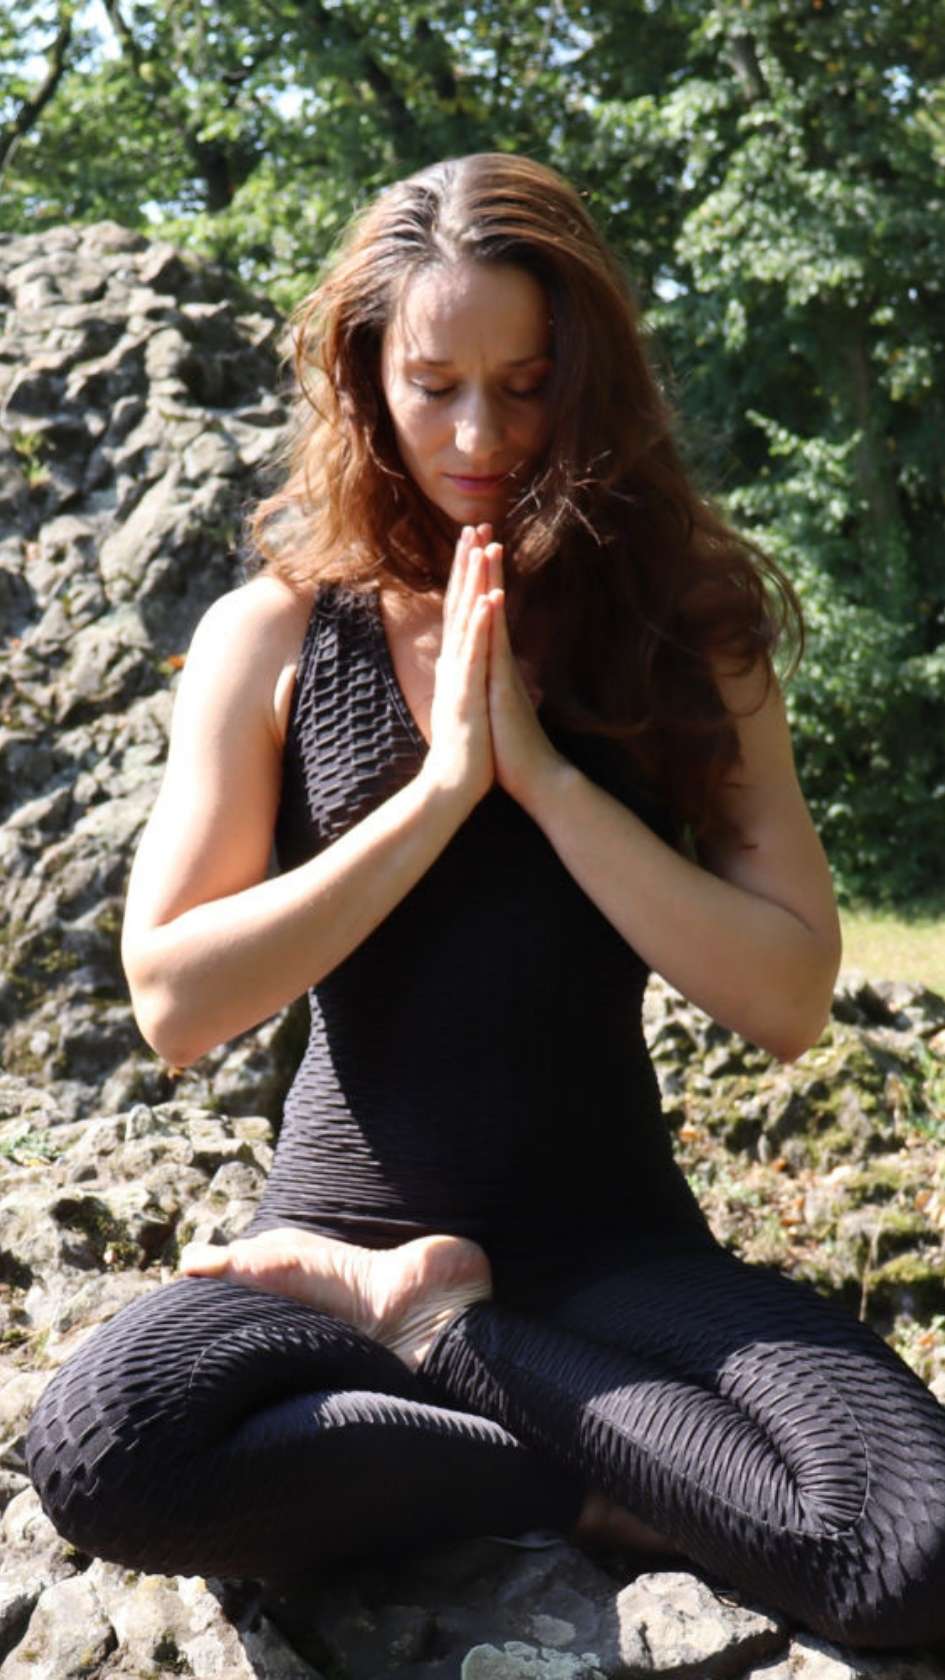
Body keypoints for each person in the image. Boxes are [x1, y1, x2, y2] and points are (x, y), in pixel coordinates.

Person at [25, 152, 945, 1650]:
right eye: (433, 384)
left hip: (617, 1256)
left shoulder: (688, 634)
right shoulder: (276, 634)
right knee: (108, 1447)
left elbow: (785, 1000)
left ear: (589, 383)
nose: (477, 436)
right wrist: (441, 790)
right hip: (331, 1249)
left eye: (524, 389)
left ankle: (442, 1333)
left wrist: (547, 781)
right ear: (364, 377)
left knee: (914, 1543)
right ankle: (585, 1467)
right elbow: (175, 1000)